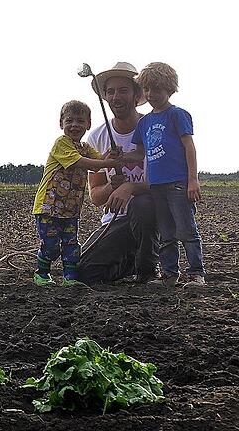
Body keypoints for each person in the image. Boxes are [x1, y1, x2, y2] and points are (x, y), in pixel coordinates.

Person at [76, 62, 160, 285]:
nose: (115, 97)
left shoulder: (154, 128)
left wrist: (130, 187)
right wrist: (114, 186)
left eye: (123, 90)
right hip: (116, 223)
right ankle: (133, 262)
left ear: (136, 95)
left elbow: (165, 183)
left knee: (141, 204)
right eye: (110, 91)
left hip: (152, 219)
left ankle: (149, 269)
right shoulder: (97, 138)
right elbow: (96, 196)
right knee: (83, 273)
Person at [123, 62, 206, 287]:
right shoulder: (145, 122)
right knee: (166, 234)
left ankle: (196, 274)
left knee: (186, 230)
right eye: (147, 89)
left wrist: (192, 179)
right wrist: (119, 156)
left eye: (157, 89)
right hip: (156, 186)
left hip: (178, 183)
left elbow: (189, 146)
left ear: (169, 89)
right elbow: (139, 153)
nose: (152, 94)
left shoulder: (177, 115)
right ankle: (170, 275)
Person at [32, 100, 121, 287]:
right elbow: (86, 164)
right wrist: (107, 164)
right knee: (51, 244)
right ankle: (42, 274)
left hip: (70, 208)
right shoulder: (62, 144)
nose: (74, 125)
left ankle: (69, 278)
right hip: (49, 207)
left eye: (80, 121)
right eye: (69, 121)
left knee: (71, 245)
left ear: (88, 124)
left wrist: (111, 155)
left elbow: (100, 158)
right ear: (61, 124)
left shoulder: (85, 147)